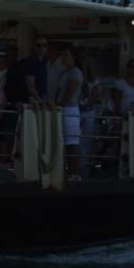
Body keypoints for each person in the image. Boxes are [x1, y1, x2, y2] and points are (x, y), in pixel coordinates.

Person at [56, 43, 84, 179]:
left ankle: (75, 172)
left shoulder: (76, 73)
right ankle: (68, 172)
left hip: (70, 111)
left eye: (66, 55)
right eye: (62, 55)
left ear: (73, 57)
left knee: (72, 143)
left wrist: (58, 106)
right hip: (62, 110)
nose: (63, 57)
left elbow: (69, 93)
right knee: (64, 143)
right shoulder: (64, 72)